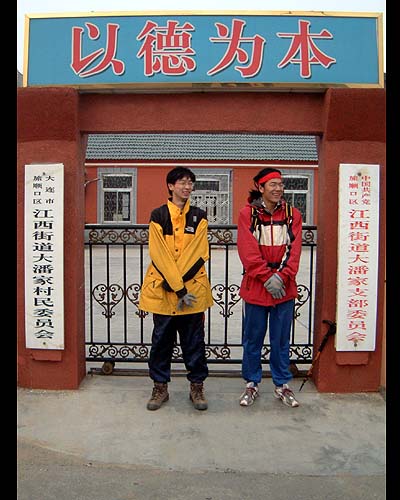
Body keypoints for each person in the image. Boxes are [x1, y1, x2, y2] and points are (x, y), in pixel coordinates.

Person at [139, 167, 213, 411]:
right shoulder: (158, 215)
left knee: (194, 342)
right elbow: (158, 253)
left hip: (192, 292)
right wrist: (178, 288)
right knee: (161, 342)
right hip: (165, 293)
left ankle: (197, 387)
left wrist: (178, 286)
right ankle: (160, 387)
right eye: (182, 182)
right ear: (171, 186)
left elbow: (199, 253)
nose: (187, 187)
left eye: (190, 182)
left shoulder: (199, 216)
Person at [237, 167, 302, 408]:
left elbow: (294, 250)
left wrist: (282, 277)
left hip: (284, 288)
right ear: (260, 187)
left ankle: (282, 384)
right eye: (272, 184)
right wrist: (266, 277)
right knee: (252, 339)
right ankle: (251, 383)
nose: (278, 189)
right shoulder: (248, 214)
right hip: (257, 286)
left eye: (280, 184)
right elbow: (247, 250)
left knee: (281, 339)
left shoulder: (293, 214)